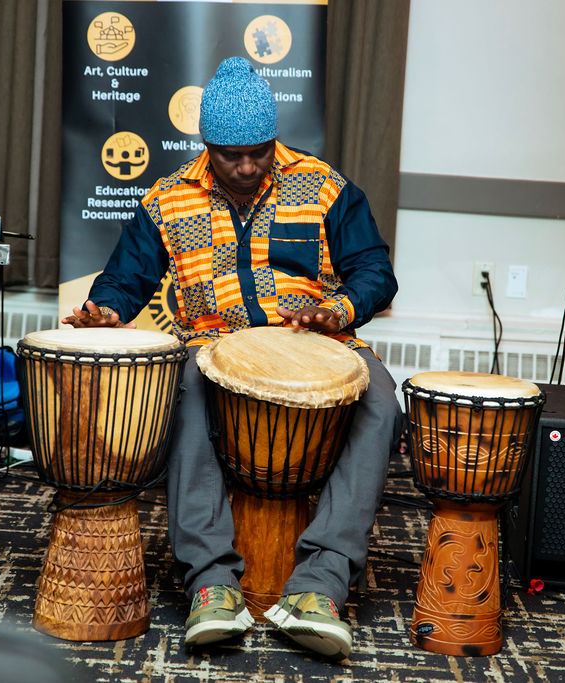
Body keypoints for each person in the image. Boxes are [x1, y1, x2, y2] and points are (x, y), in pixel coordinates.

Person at [62, 56, 400, 660]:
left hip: (319, 345)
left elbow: (375, 270)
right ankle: (211, 583)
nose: (246, 167)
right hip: (211, 347)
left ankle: (320, 585)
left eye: (259, 153)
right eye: (230, 155)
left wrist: (339, 309)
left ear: (273, 140)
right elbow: (124, 281)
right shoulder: (167, 200)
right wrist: (106, 311)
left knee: (379, 397)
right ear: (207, 146)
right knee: (184, 389)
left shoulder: (325, 187)